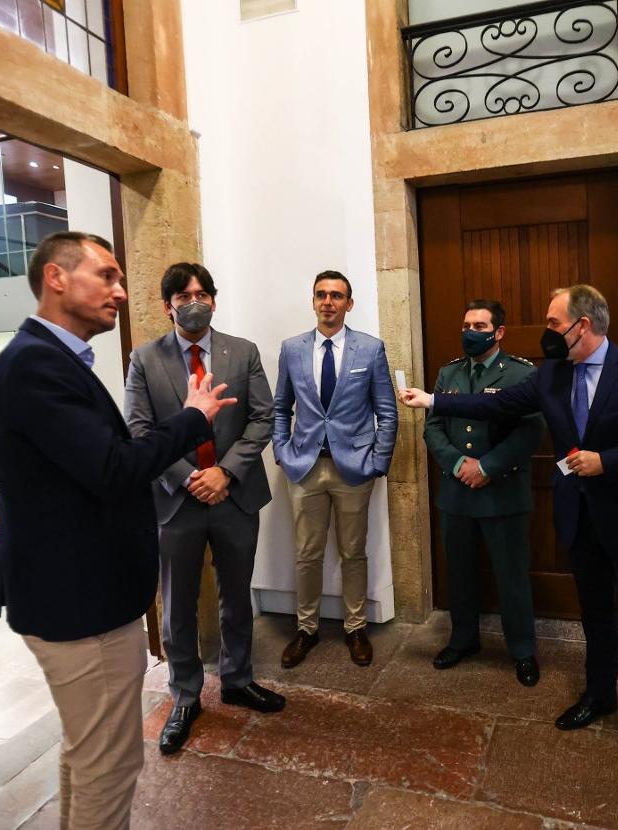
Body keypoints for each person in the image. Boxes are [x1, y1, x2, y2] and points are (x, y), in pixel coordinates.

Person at [0, 232, 236, 829]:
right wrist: (193, 418)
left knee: (89, 754)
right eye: (107, 276)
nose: (120, 292)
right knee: (111, 763)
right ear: (56, 277)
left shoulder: (51, 359)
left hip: (84, 591)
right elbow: (112, 466)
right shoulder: (35, 366)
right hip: (76, 600)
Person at [402, 285, 618, 766]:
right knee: (595, 615)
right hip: (579, 516)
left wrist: (607, 461)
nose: (548, 332)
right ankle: (600, 695)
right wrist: (434, 400)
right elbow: (497, 404)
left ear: (584, 325)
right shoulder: (552, 374)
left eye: (554, 323)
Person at [124, 262, 285, 757]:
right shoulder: (145, 359)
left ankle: (237, 678)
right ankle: (185, 695)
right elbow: (138, 428)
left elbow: (264, 417)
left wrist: (225, 472)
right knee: (177, 605)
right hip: (177, 500)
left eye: (202, 293)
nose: (194, 301)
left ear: (214, 299)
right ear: (167, 304)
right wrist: (187, 476)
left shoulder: (244, 351)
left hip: (235, 495)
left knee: (238, 595)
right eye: (183, 294)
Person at [273, 270, 398, 667]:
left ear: (349, 303)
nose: (329, 301)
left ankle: (355, 627)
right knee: (307, 554)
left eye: (337, 295)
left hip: (353, 470)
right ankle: (306, 628)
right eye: (321, 295)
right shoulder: (292, 349)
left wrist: (377, 462)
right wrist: (281, 450)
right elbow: (280, 407)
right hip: (305, 467)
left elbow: (387, 412)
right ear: (313, 301)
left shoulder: (370, 349)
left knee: (353, 552)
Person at [423, 299, 544, 686]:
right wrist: (459, 464)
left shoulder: (522, 373)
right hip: (457, 492)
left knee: (511, 577)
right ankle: (463, 640)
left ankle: (523, 650)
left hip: (502, 492)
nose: (470, 332)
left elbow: (532, 430)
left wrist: (487, 467)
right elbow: (433, 427)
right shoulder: (450, 373)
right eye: (466, 325)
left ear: (499, 332)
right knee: (459, 573)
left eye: (479, 325)